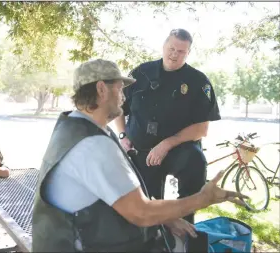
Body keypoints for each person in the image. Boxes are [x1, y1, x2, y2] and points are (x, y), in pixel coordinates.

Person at [32, 59, 246, 252]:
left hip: (75, 236)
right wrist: (203, 199)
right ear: (101, 89)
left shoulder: (74, 126)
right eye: (119, 88)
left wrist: (167, 217)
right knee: (190, 246)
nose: (124, 95)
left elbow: (115, 200)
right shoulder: (93, 145)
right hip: (84, 244)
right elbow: (141, 213)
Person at [114, 28, 221, 224]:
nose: (174, 54)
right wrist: (123, 136)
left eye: (181, 51)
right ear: (164, 45)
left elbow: (201, 128)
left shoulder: (198, 81)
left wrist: (167, 144)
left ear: (188, 53)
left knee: (195, 162)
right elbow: (119, 107)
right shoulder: (140, 73)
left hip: (179, 151)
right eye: (171, 48)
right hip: (141, 151)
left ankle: (186, 228)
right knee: (145, 208)